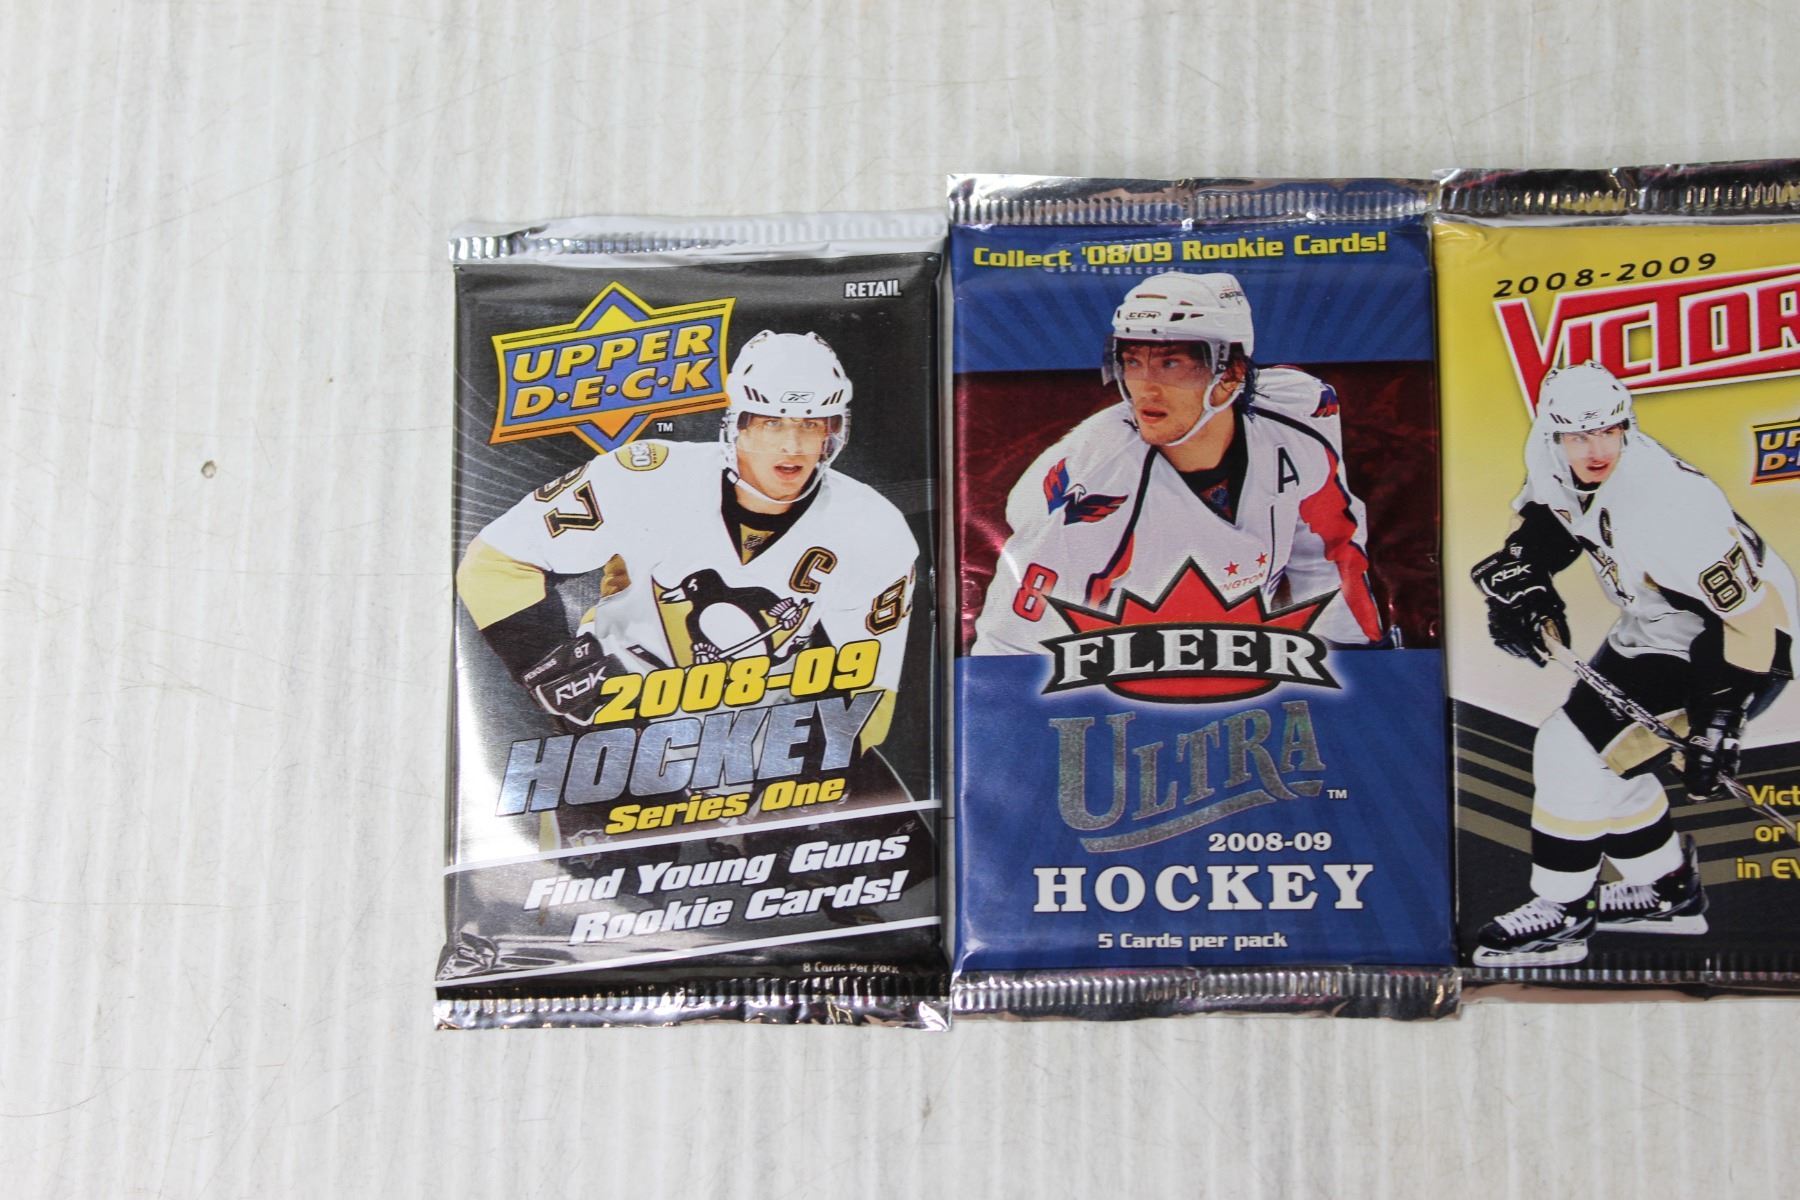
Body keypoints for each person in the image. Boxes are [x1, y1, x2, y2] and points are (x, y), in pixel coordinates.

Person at [1470, 361, 1796, 966]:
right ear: (1554, 433)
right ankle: (1666, 891)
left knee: (1571, 753)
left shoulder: (1673, 506)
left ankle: (1563, 912)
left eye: (1608, 431)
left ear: (1627, 426)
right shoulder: (1549, 453)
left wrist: (1719, 722)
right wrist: (1526, 577)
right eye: (1578, 435)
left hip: (1734, 644)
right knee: (1602, 759)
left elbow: (1757, 622)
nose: (1595, 449)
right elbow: (1552, 519)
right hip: (1656, 620)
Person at [456, 330, 918, 750]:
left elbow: (873, 692)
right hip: (623, 721)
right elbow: (494, 563)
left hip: (761, 739)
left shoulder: (876, 526)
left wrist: (808, 758)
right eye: (772, 423)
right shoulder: (646, 475)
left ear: (833, 431)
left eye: (810, 424)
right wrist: (557, 671)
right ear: (738, 424)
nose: (793, 446)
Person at [972, 270, 1385, 656]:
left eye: (1170, 364)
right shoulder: (1097, 481)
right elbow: (1014, 650)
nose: (1145, 389)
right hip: (1124, 682)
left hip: (1252, 662)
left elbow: (1329, 550)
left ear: (1230, 374)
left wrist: (1353, 663)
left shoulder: (1299, 408)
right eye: (1133, 362)